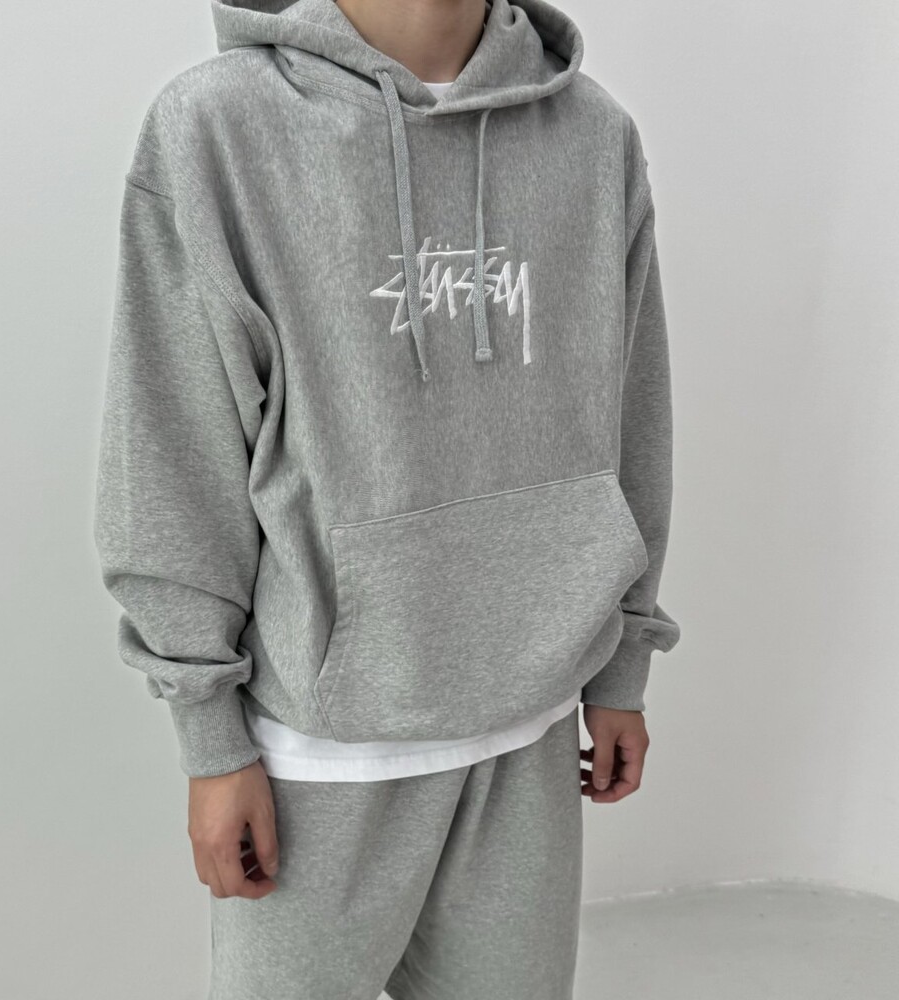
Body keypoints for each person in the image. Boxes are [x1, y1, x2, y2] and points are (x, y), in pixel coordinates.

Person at [92, 0, 681, 996]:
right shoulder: (217, 127)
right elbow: (173, 449)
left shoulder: (593, 135)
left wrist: (622, 663)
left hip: (531, 733)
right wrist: (209, 737)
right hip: (321, 755)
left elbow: (632, 415)